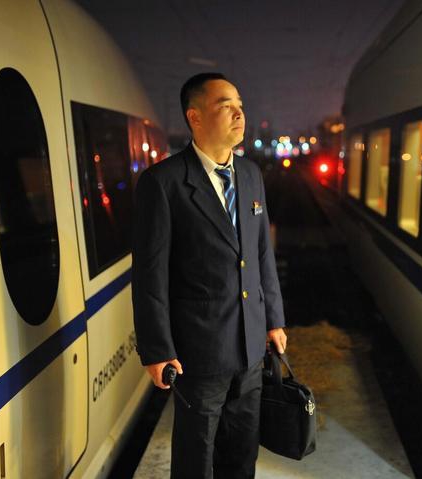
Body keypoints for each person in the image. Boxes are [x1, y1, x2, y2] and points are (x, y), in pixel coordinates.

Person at [132, 72, 287, 479]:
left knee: (242, 455)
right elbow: (150, 275)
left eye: (240, 105)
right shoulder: (163, 183)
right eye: (225, 105)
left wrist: (273, 320)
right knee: (195, 459)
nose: (239, 114)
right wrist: (157, 350)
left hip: (250, 347)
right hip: (198, 354)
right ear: (195, 117)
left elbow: (261, 254)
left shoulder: (250, 175)